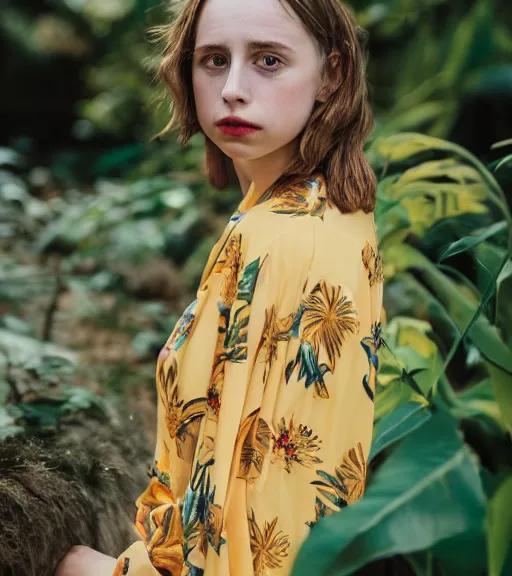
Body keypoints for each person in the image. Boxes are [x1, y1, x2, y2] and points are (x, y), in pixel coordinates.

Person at [55, 0, 383, 574]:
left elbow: (253, 539)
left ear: (331, 75)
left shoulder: (279, 241)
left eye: (268, 60)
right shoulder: (326, 215)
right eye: (213, 60)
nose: (232, 88)